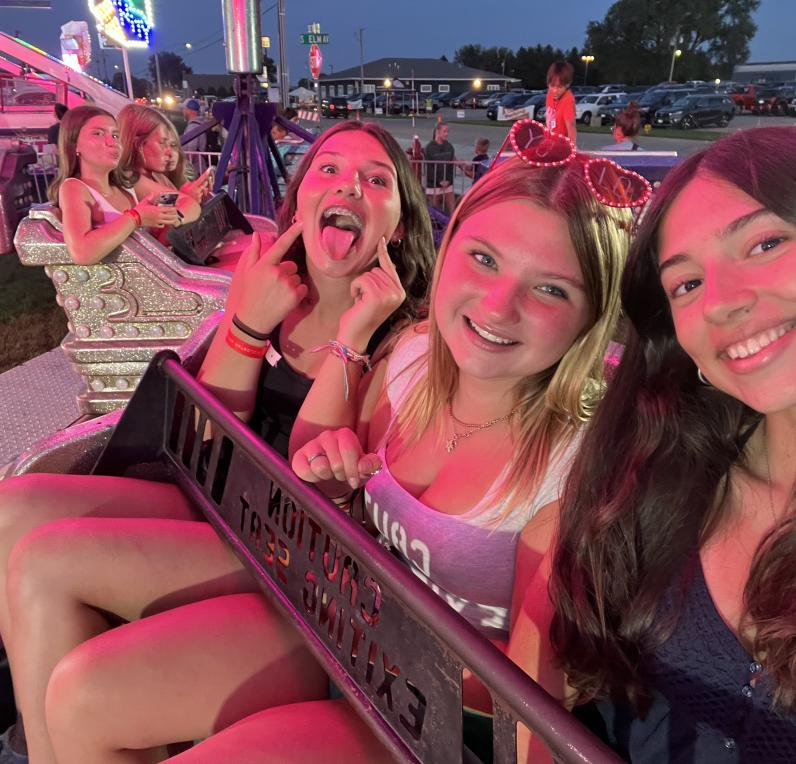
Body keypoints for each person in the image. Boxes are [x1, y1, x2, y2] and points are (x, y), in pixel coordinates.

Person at [37, 133, 634, 764]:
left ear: (591, 316)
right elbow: (310, 486)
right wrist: (336, 481)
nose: (498, 305)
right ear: (452, 244)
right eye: (484, 259)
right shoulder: (410, 364)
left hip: (432, 712)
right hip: (333, 619)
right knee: (82, 695)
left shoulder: (573, 469)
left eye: (551, 290)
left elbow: (531, 710)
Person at [0, 120, 435, 764]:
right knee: (13, 507)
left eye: (376, 181)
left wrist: (352, 337)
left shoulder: (402, 339)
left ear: (398, 226)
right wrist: (247, 322)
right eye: (329, 170)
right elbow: (204, 438)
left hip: (300, 553)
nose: (349, 186)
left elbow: (309, 491)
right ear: (300, 202)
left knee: (48, 569)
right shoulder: (270, 283)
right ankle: (41, 746)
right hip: (226, 504)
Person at [509, 127, 796, 762]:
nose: (722, 301)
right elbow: (547, 621)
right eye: (686, 284)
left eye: (767, 242)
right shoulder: (660, 482)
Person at [48, 105, 181, 267]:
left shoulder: (125, 186)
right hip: (119, 287)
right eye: (98, 133)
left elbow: (144, 240)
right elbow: (82, 253)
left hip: (154, 273)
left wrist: (163, 220)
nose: (112, 142)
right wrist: (136, 217)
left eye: (116, 135)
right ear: (74, 143)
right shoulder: (74, 188)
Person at [425, 121, 457, 215]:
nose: (447, 134)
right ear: (437, 132)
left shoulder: (449, 146)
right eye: (444, 131)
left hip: (448, 185)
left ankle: (453, 228)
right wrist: (439, 181)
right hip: (434, 185)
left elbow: (451, 166)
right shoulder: (429, 148)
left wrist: (448, 181)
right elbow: (430, 168)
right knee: (435, 213)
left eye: (448, 131)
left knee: (453, 211)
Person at [545, 60, 577, 144]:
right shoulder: (549, 94)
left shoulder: (568, 100)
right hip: (550, 142)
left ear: (568, 84)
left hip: (561, 146)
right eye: (552, 86)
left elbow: (571, 126)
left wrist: (572, 148)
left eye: (559, 87)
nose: (555, 90)